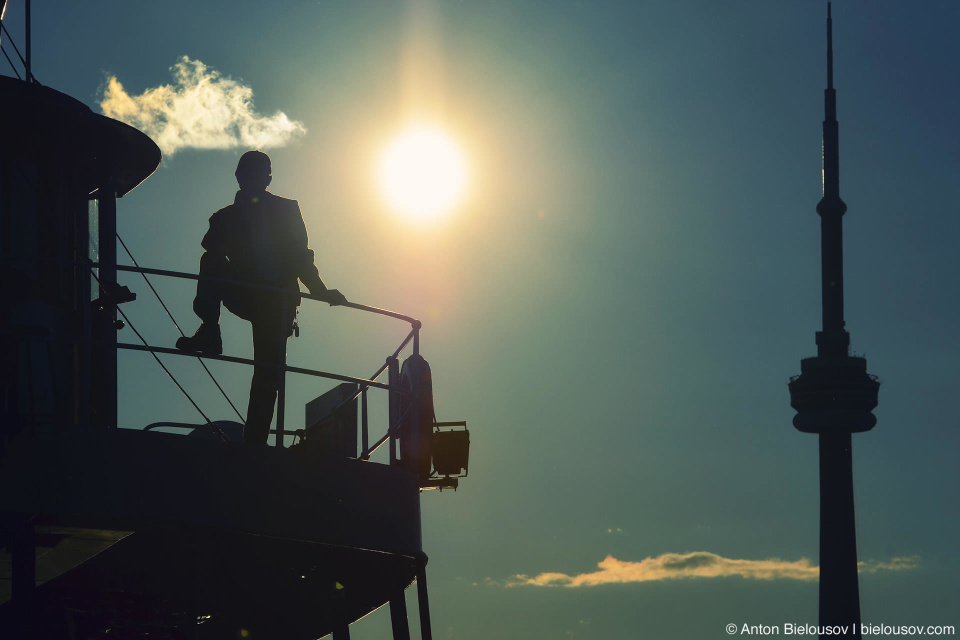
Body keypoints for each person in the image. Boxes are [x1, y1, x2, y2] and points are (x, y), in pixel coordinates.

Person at [176, 150, 346, 445]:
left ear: (268, 177)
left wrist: (319, 289)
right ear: (239, 177)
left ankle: (254, 441)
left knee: (267, 372)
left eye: (259, 173)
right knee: (211, 260)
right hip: (244, 292)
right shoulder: (224, 218)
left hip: (277, 301)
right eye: (248, 173)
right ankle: (209, 330)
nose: (254, 178)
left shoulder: (287, 210)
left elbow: (300, 257)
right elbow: (212, 252)